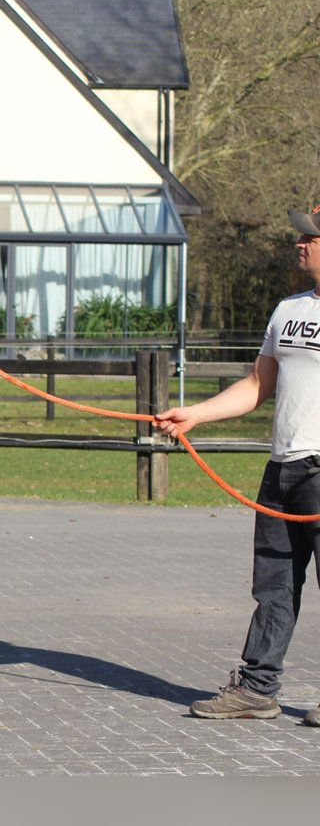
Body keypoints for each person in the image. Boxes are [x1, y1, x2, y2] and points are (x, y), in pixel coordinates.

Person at [154, 204, 320, 724]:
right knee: (273, 585)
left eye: (312, 237)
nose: (301, 242)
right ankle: (257, 688)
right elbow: (256, 386)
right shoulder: (289, 310)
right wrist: (195, 416)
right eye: (301, 235)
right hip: (283, 469)